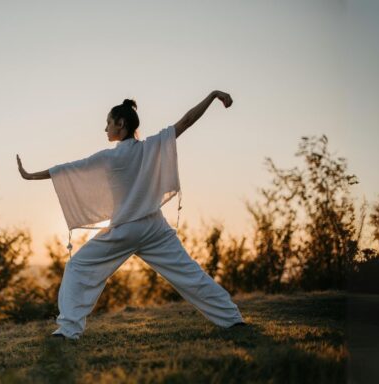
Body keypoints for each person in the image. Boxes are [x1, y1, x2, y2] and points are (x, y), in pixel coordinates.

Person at [16, 90, 246, 340]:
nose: (105, 128)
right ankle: (233, 319)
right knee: (190, 275)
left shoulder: (109, 156)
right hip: (155, 228)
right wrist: (213, 96)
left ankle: (69, 329)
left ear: (121, 124)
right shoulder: (151, 147)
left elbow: (66, 171)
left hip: (125, 230)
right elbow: (186, 121)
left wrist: (30, 175)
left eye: (108, 122)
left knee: (78, 266)